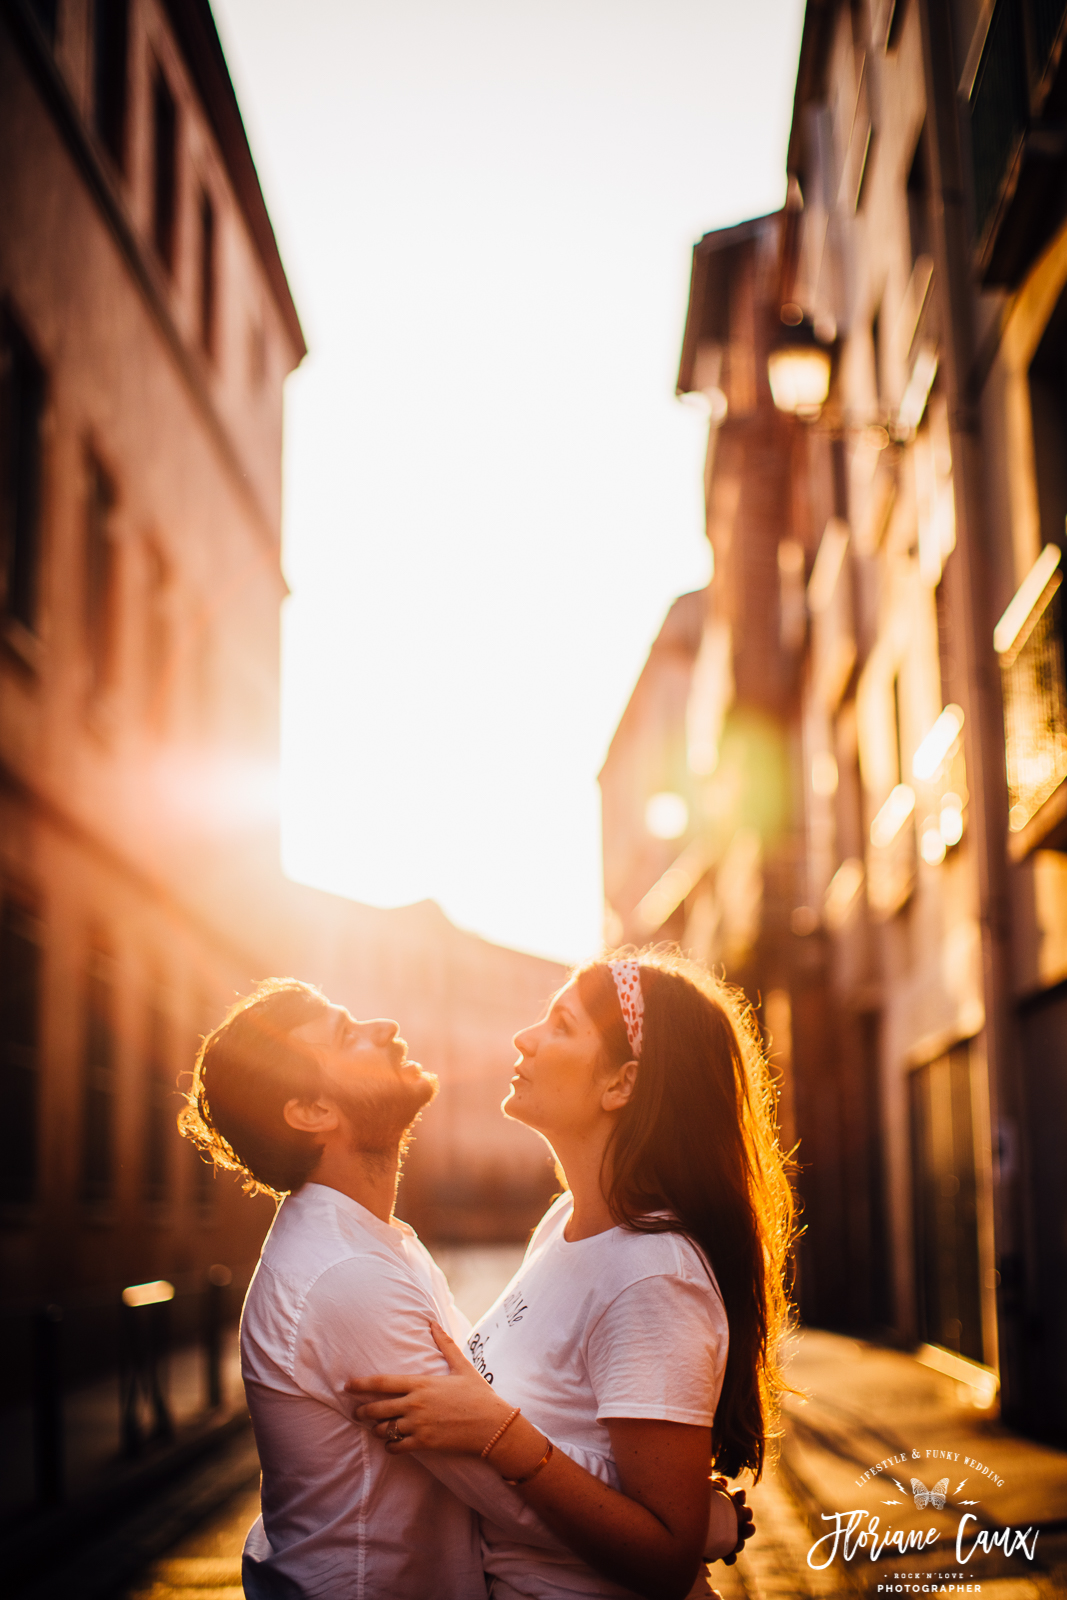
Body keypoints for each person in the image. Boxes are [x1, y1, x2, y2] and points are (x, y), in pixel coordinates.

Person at [178, 976, 750, 1600]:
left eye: (561, 1026)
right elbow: (494, 1483)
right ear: (313, 1111)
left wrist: (673, 1516)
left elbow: (493, 1425)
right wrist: (698, 1527)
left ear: (622, 1083)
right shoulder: (350, 1276)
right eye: (349, 1036)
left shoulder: (381, 1245)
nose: (386, 1029)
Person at [349, 951, 795, 1600]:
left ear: (622, 1084)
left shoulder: (652, 1276)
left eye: (560, 1025)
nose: (523, 1038)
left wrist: (495, 1434)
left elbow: (665, 1558)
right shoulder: (563, 1222)